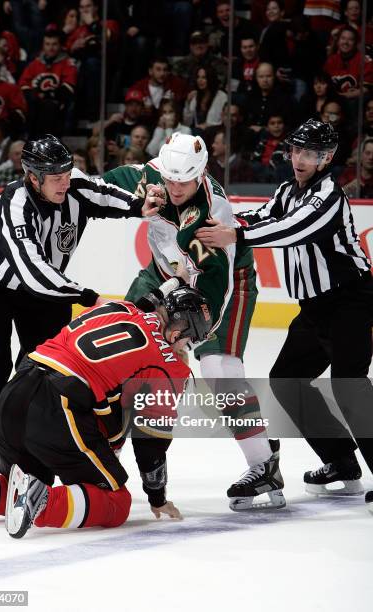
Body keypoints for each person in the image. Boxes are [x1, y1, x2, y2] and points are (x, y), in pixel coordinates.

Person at [195, 119, 373, 512]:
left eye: (309, 153)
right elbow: (263, 216)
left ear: (326, 159)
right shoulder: (288, 190)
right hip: (314, 308)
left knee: (349, 386)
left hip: (350, 302)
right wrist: (226, 225)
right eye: (295, 150)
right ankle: (341, 462)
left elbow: (293, 229)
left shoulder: (328, 195)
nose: (298, 159)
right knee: (287, 381)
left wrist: (235, 236)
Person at [103, 133, 286, 511]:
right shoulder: (153, 175)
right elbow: (96, 187)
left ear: (200, 174)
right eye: (168, 179)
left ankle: (263, 464)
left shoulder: (210, 217)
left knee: (219, 368)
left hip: (223, 283)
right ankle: (105, 456)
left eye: (182, 181)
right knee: (123, 352)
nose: (173, 188)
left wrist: (185, 337)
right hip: (163, 271)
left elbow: (212, 296)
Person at [0, 134, 161, 479]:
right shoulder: (15, 200)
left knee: (42, 367)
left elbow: (102, 194)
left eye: (67, 175)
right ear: (32, 176)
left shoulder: (72, 184)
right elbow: (31, 270)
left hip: (43, 287)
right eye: (56, 178)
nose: (65, 183)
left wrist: (138, 205)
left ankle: (24, 459)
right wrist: (86, 296)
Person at [0, 287, 212, 537]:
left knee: (12, 489)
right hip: (57, 405)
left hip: (14, 392)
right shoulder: (169, 367)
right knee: (116, 501)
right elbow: (150, 441)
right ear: (177, 333)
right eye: (188, 341)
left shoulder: (121, 307)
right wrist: (157, 496)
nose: (185, 348)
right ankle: (40, 501)